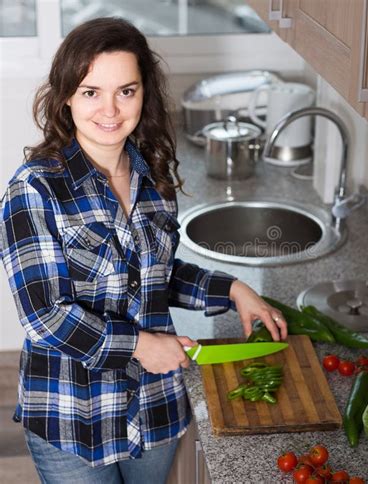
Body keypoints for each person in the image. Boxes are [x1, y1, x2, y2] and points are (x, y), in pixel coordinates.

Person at [0, 17, 287, 484]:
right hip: (71, 416)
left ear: (143, 95)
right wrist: (138, 345)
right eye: (92, 91)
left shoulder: (152, 177)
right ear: (67, 95)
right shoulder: (34, 190)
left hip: (153, 409)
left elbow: (154, 276)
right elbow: (44, 317)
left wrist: (233, 289)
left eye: (126, 91)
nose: (110, 109)